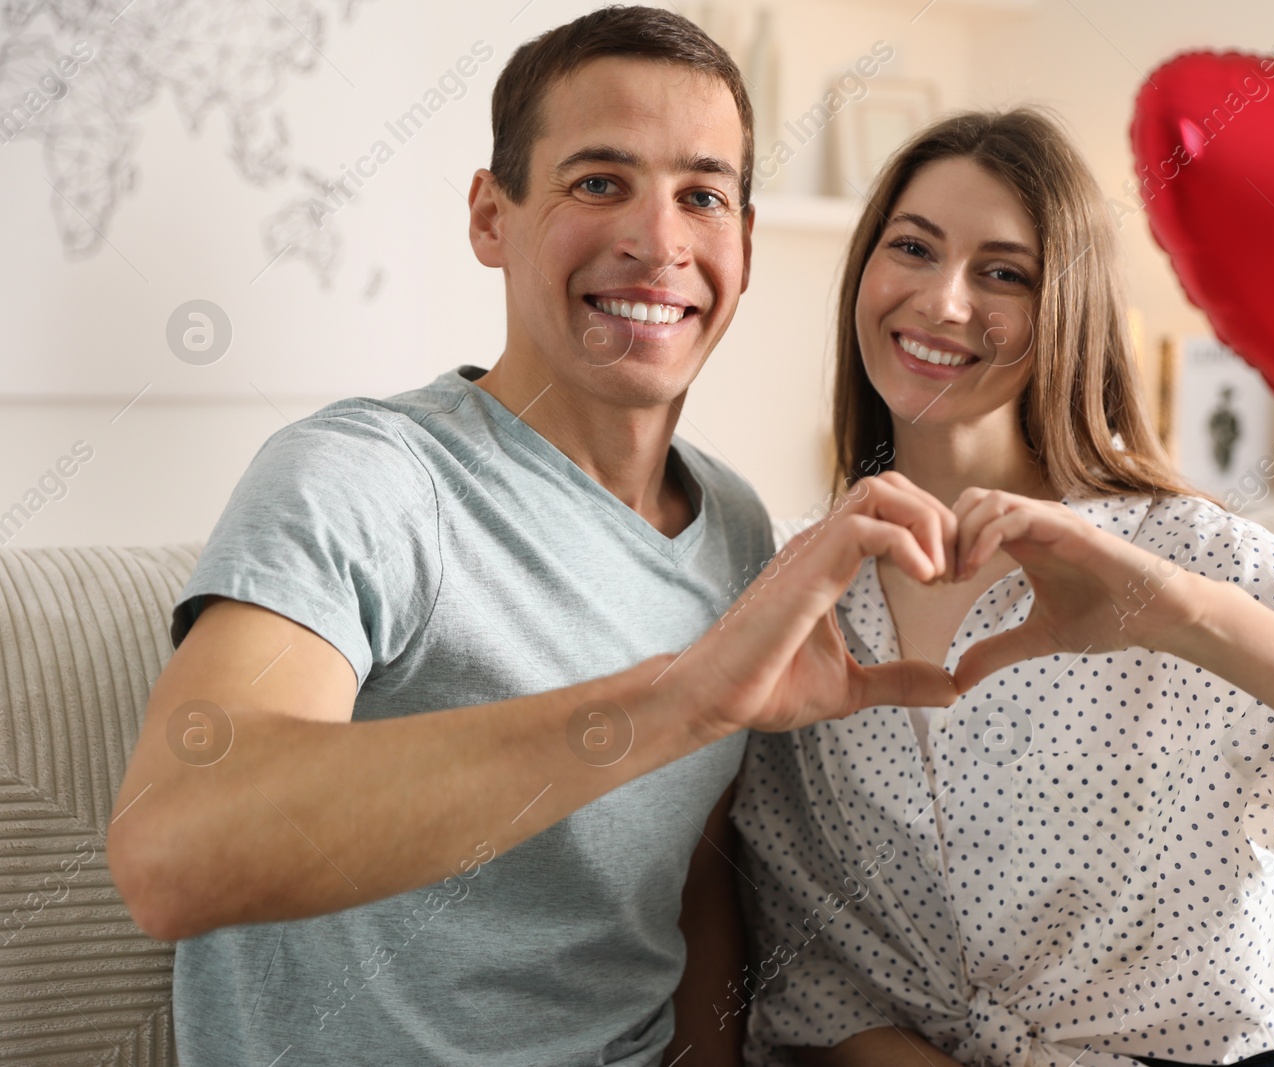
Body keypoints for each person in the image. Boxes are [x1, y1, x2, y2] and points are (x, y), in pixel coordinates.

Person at [104, 8, 965, 1065]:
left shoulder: (739, 529)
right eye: (598, 182)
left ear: (742, 240)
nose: (658, 242)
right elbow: (175, 848)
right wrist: (675, 698)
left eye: (703, 195)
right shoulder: (367, 477)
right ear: (489, 216)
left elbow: (690, 880)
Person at [730, 108, 1274, 1066]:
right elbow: (814, 966)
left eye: (1003, 271)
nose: (944, 300)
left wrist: (1184, 616)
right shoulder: (805, 583)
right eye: (913, 248)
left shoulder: (1176, 547)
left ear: (1067, 310)